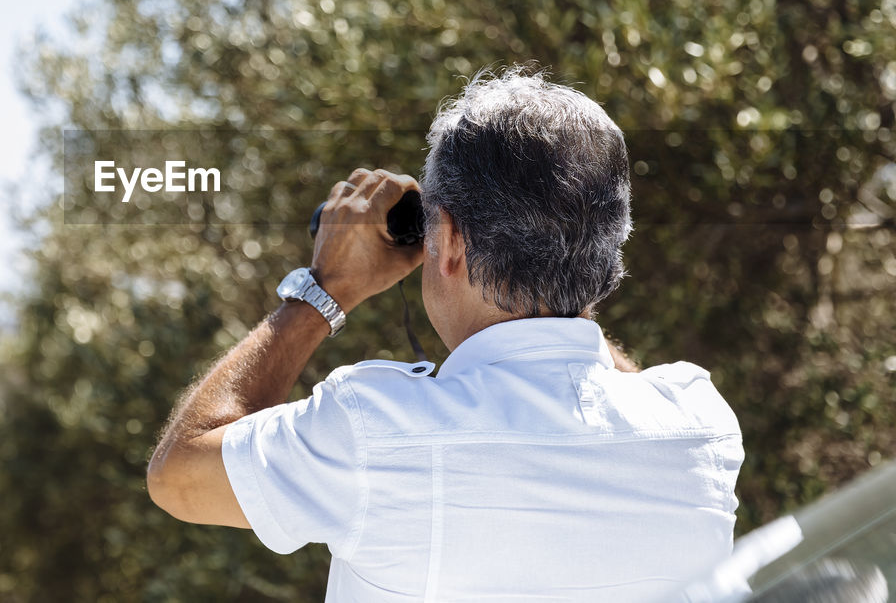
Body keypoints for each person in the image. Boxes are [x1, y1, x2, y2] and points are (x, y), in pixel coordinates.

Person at [147, 67, 745, 601]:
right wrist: (562, 285)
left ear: (451, 241)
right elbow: (603, 392)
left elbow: (179, 476)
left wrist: (325, 289)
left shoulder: (375, 431)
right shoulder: (699, 423)